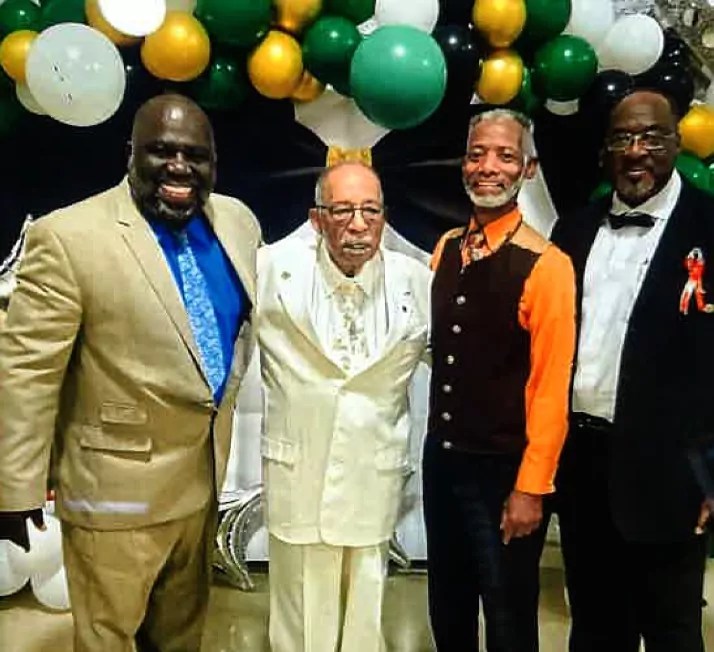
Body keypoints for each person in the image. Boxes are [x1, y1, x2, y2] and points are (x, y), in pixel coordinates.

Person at [0, 93, 261, 652]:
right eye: (162, 151)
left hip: (201, 485)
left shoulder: (238, 223)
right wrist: (14, 488)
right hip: (113, 496)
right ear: (131, 153)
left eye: (195, 155)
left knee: (181, 640)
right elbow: (26, 372)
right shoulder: (69, 237)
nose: (179, 167)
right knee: (107, 640)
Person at [550, 89, 714, 652]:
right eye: (622, 138)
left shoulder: (709, 226)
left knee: (672, 632)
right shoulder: (572, 232)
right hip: (583, 468)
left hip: (673, 474)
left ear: (677, 143)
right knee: (595, 629)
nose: (637, 150)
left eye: (651, 137)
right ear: (605, 150)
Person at [257, 160, 431, 652]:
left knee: (363, 617)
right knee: (297, 622)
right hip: (298, 473)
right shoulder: (270, 270)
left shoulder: (417, 281)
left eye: (370, 211)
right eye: (343, 211)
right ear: (317, 219)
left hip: (372, 478)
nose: (358, 225)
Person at [424, 108, 576, 652]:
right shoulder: (446, 248)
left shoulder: (547, 265)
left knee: (508, 614)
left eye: (505, 155)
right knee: (448, 606)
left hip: (504, 472)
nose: (488, 166)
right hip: (443, 460)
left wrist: (531, 488)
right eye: (477, 154)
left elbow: (551, 387)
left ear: (528, 169)